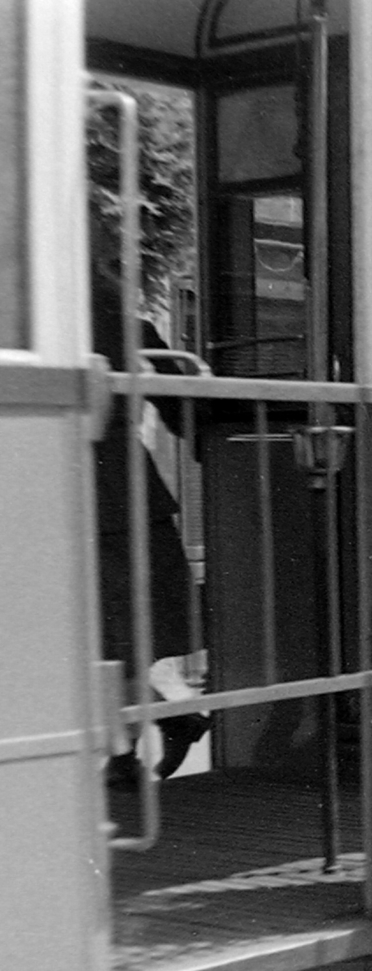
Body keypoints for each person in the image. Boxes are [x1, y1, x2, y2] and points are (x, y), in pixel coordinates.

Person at [92, 277, 210, 788]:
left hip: (96, 493)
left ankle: (138, 742)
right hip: (126, 491)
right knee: (123, 632)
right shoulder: (131, 328)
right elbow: (187, 406)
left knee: (110, 634)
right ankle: (162, 722)